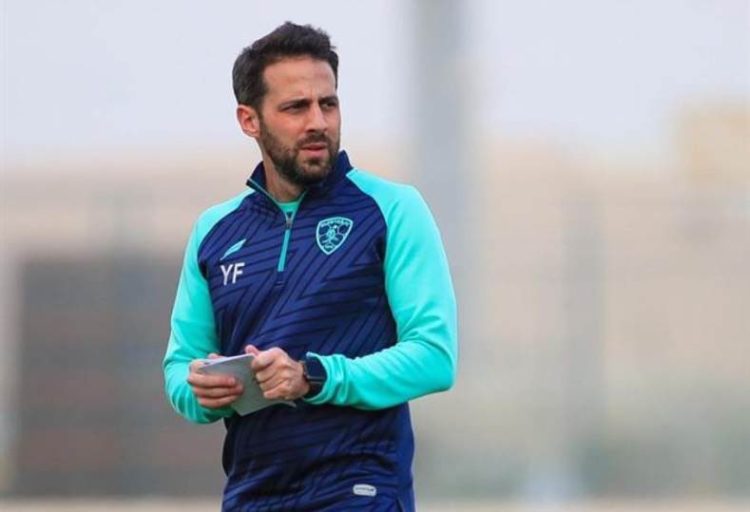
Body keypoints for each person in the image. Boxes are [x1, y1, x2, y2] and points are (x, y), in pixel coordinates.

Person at [163, 21, 457, 511]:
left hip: (360, 489)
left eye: (329, 103)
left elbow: (434, 357)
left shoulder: (392, 210)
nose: (318, 121)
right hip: (252, 495)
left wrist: (313, 376)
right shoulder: (215, 232)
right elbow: (180, 366)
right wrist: (203, 389)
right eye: (296, 107)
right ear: (249, 120)